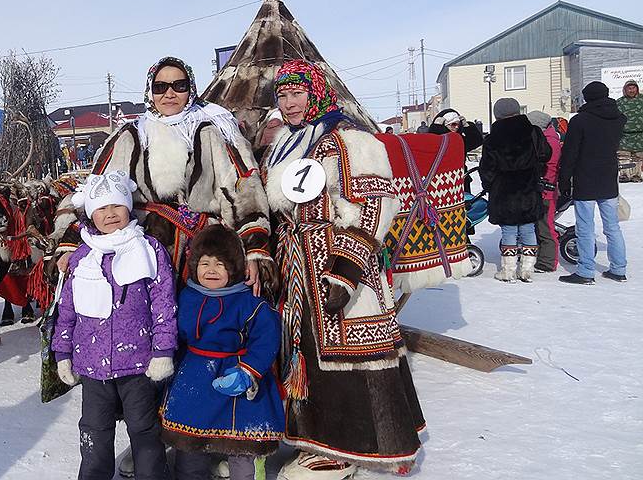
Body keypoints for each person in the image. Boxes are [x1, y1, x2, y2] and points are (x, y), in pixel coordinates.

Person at [264, 60, 424, 479]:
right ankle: (318, 441)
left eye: (297, 93)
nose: (289, 102)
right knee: (309, 358)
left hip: (340, 268)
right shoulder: (287, 143)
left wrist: (345, 271)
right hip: (297, 268)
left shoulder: (351, 139)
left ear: (316, 92)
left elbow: (376, 207)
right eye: (282, 95)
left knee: (353, 359)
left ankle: (353, 448)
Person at [53, 56, 273, 297]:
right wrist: (71, 239)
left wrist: (255, 248)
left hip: (204, 251)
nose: (169, 94)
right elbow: (96, 191)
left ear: (191, 90)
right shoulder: (131, 136)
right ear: (150, 91)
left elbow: (243, 189)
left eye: (179, 86)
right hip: (140, 248)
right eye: (160, 87)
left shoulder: (214, 130)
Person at [52, 170, 176, 480]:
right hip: (93, 366)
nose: (110, 214)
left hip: (138, 364)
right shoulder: (82, 257)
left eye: (116, 206)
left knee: (145, 430)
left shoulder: (149, 249)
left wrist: (163, 350)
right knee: (95, 432)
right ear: (91, 214)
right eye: (102, 208)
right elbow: (67, 309)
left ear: (128, 208)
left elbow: (164, 303)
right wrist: (62, 352)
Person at [160, 225, 283, 480]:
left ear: (235, 268)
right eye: (205, 263)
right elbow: (173, 332)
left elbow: (267, 337)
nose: (211, 270)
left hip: (235, 374)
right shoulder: (185, 297)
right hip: (194, 376)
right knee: (190, 441)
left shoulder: (249, 303)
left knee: (239, 445)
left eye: (220, 264)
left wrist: (249, 371)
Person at [558, 81, 628, 285]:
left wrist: (564, 178)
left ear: (587, 97)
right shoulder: (619, 119)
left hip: (585, 178)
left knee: (585, 227)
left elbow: (570, 153)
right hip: (608, 177)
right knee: (612, 227)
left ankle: (586, 271)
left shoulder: (580, 121)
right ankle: (618, 268)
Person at [480, 98, 551, 283]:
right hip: (528, 188)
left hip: (503, 191)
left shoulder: (492, 138)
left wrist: (489, 186)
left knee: (509, 230)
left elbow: (486, 168)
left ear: (498, 114)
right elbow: (546, 154)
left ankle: (508, 270)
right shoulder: (533, 131)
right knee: (528, 228)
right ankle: (527, 270)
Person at [527, 111, 562, 273]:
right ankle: (543, 257)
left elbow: (549, 167)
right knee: (541, 225)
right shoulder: (548, 139)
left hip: (546, 190)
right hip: (542, 189)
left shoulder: (549, 143)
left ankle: (548, 262)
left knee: (545, 227)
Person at [429, 109, 484, 193]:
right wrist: (436, 128)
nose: (457, 127)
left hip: (461, 178)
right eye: (453, 124)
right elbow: (431, 143)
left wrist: (467, 126)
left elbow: (476, 141)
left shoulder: (460, 139)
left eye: (458, 124)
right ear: (445, 124)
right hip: (442, 179)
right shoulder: (439, 139)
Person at [617, 79, 643, 182]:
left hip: (640, 135)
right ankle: (624, 175)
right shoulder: (619, 102)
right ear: (625, 89)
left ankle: (636, 175)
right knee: (623, 156)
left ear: (637, 89)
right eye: (629, 88)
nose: (631, 90)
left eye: (633, 88)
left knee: (638, 157)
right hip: (624, 135)